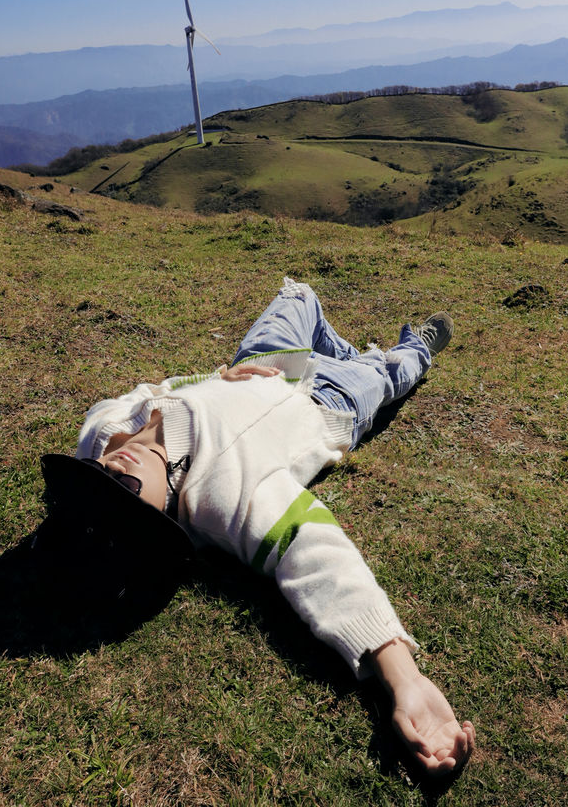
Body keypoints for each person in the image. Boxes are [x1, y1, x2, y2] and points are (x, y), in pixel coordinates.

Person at [40, 278, 475, 776]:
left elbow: (123, 403)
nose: (116, 466)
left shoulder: (101, 439)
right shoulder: (227, 499)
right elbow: (316, 555)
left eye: (98, 477)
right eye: (126, 491)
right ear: (158, 522)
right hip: (329, 401)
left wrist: (211, 377)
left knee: (300, 296)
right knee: (390, 372)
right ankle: (408, 349)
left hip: (264, 362)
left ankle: (342, 352)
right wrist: (405, 679)